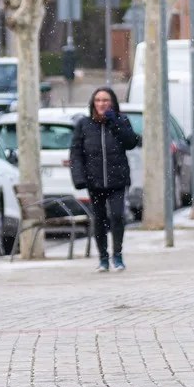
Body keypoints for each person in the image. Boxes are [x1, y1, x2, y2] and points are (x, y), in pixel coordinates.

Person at [69, 87, 141, 272]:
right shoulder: (84, 125)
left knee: (117, 216)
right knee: (99, 219)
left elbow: (131, 142)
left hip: (117, 178)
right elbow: (76, 152)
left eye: (105, 100)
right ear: (93, 103)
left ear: (112, 103)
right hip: (95, 180)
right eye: (98, 100)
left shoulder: (120, 121)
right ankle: (103, 257)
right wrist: (79, 177)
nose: (101, 104)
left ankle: (117, 255)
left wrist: (114, 122)